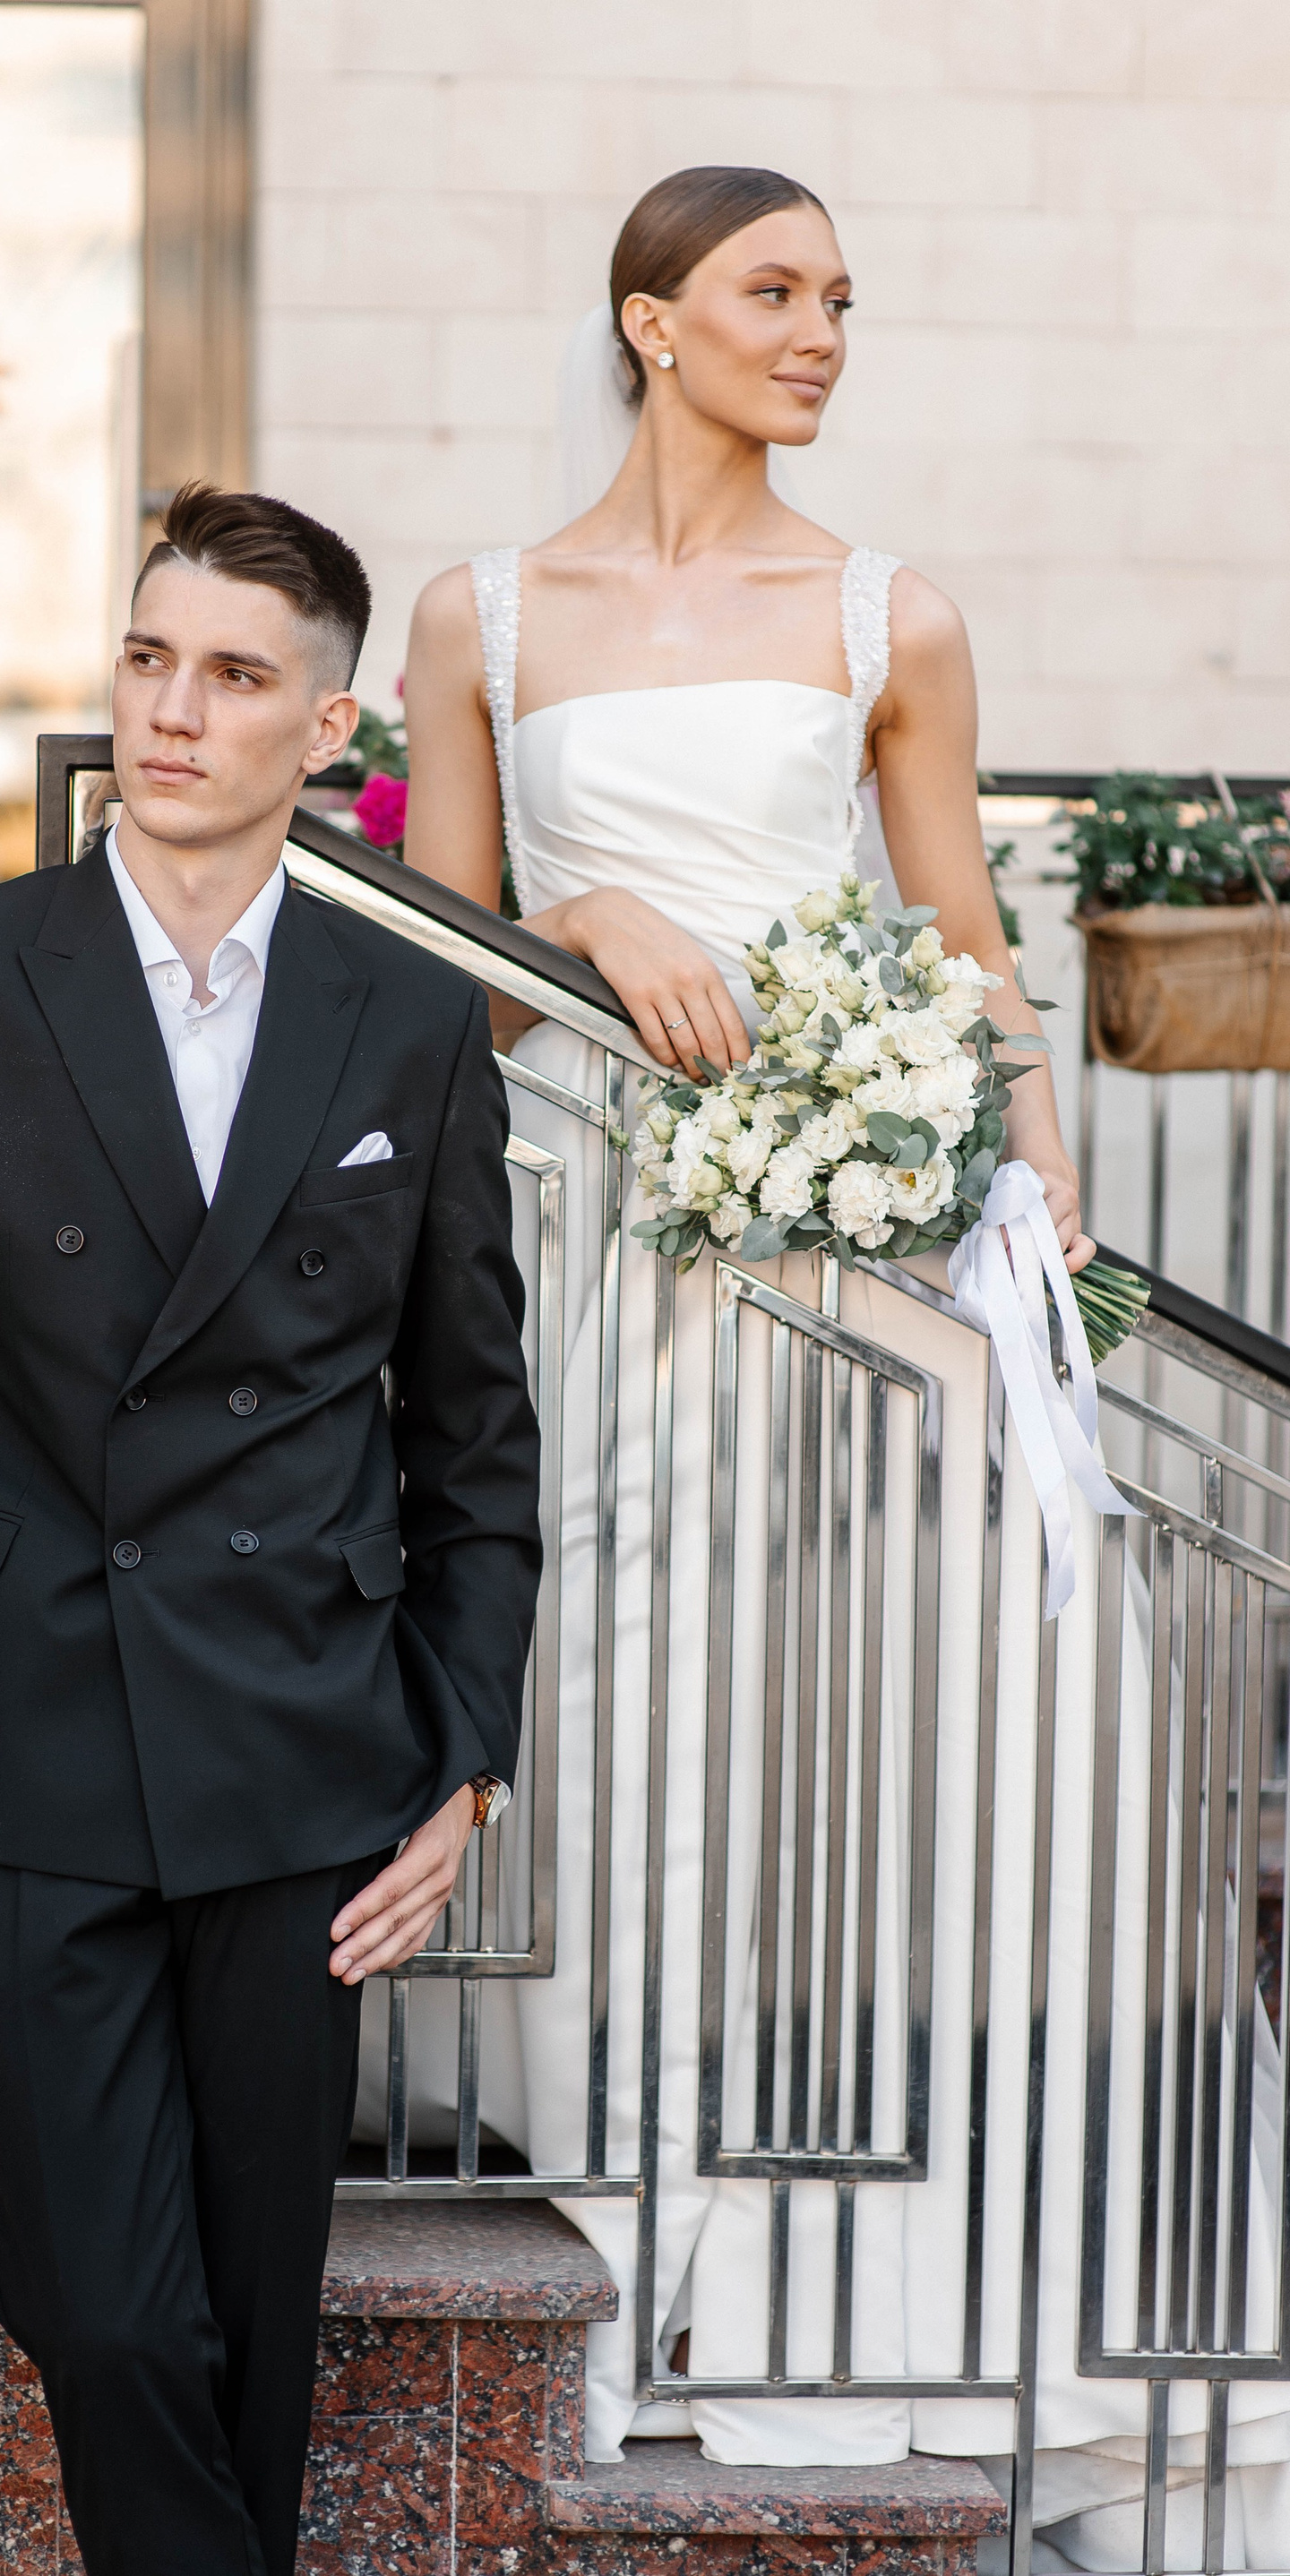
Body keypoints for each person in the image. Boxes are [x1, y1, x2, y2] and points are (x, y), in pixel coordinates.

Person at [400, 168, 1290, 2569]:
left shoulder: (898, 612)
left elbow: (962, 934)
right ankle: (657, 2213)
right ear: (649, 320)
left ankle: (874, 2242)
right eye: (774, 294)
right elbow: (445, 970)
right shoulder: (480, 614)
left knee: (873, 1741)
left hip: (864, 1263)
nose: (820, 334)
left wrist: (1037, 1181)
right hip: (614, 1248)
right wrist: (586, 914)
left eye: (840, 302)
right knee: (638, 1707)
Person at [0, 482, 541, 2576]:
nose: (175, 711)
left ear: (330, 729)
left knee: (255, 2333)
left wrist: (466, 1754)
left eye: (236, 674)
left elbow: (477, 1438)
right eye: (149, 658)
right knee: (102, 2309)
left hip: (302, 1749)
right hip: (13, 1739)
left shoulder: (409, 1018)